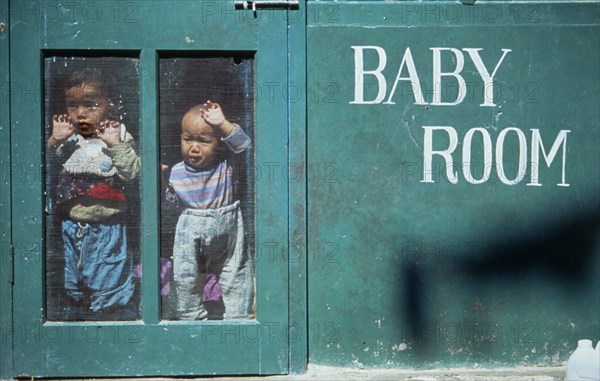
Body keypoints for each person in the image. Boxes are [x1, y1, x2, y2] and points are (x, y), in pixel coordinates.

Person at [47, 67, 140, 317]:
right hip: (70, 226)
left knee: (110, 287)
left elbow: (132, 172)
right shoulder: (69, 138)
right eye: (72, 105)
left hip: (107, 228)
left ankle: (109, 319)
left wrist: (117, 145)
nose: (80, 114)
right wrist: (54, 141)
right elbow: (45, 166)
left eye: (91, 105)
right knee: (74, 284)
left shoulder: (116, 134)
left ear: (111, 105)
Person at [163, 101, 253, 320]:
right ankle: (190, 318)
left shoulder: (226, 164)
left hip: (227, 229)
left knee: (236, 273)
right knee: (186, 277)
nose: (194, 147)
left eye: (204, 141)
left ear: (219, 145)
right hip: (190, 231)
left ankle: (238, 319)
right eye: (188, 139)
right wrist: (162, 183)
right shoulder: (176, 172)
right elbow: (170, 205)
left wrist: (222, 123)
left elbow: (243, 144)